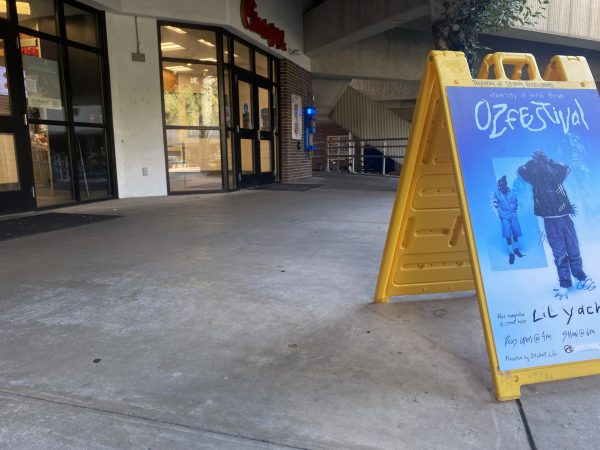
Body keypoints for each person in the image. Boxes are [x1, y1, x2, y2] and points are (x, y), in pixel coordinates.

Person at [518, 150, 590, 299]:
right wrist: (535, 161)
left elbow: (566, 168)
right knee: (559, 252)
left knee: (573, 248)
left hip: (565, 217)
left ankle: (580, 277)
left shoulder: (557, 175)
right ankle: (565, 283)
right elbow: (521, 170)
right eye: (541, 162)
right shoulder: (535, 177)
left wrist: (548, 160)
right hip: (550, 220)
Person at [493, 175, 524, 265]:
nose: (503, 187)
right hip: (505, 217)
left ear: (506, 184)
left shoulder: (512, 192)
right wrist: (501, 215)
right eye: (501, 185)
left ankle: (516, 249)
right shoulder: (497, 193)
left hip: (513, 216)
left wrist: (514, 211)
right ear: (499, 185)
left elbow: (516, 202)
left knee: (516, 232)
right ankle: (511, 253)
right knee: (507, 234)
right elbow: (495, 205)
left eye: (504, 185)